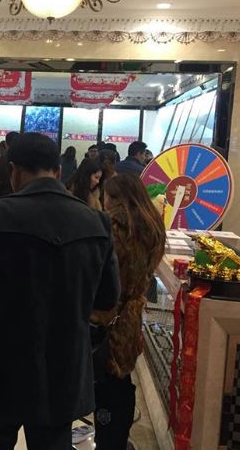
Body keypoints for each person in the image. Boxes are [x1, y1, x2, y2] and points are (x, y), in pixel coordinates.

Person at [0, 133, 120, 449]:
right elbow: (108, 298)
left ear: (13, 170)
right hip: (64, 371)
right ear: (58, 171)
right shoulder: (96, 222)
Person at [92, 174, 166, 449]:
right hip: (131, 314)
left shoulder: (114, 230)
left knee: (105, 381)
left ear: (115, 199)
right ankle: (117, 439)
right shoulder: (151, 228)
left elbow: (101, 276)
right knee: (120, 376)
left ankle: (109, 439)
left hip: (106, 314)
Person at [0, 131, 20, 199]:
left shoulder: (1, 161)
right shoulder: (23, 160)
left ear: (6, 144)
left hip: (2, 200)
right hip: (19, 200)